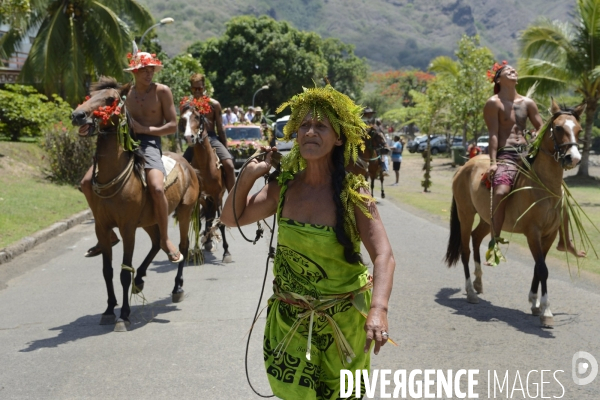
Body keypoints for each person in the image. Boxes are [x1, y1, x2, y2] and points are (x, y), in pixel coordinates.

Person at [221, 85, 395, 399]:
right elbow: (231, 218)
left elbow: (383, 255)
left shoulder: (353, 192)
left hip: (344, 323)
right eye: (303, 125)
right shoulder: (282, 188)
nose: (310, 132)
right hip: (290, 321)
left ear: (339, 137)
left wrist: (378, 310)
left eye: (321, 126)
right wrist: (249, 175)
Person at [79, 51, 183, 262]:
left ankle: (164, 238)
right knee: (86, 182)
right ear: (134, 72)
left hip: (150, 144)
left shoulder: (163, 91)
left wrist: (144, 129)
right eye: (144, 70)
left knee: (156, 186)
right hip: (124, 143)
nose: (149, 73)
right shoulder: (124, 95)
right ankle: (107, 233)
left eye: (151, 69)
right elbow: (109, 117)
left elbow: (172, 125)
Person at [484, 62, 584, 260]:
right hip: (507, 154)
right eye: (507, 70)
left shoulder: (528, 103)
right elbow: (494, 134)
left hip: (529, 151)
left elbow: (540, 127)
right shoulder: (493, 103)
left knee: (560, 192)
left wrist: (535, 136)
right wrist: (493, 161)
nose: (513, 70)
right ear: (498, 79)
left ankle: (565, 242)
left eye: (514, 69)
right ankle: (495, 241)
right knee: (501, 190)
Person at [182, 73, 235, 192]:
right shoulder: (187, 106)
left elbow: (220, 128)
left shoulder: (214, 104)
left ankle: (233, 199)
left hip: (211, 138)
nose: (197, 91)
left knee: (229, 165)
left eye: (199, 88)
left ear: (204, 88)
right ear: (191, 89)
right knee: (181, 166)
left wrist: (226, 148)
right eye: (194, 88)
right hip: (194, 142)